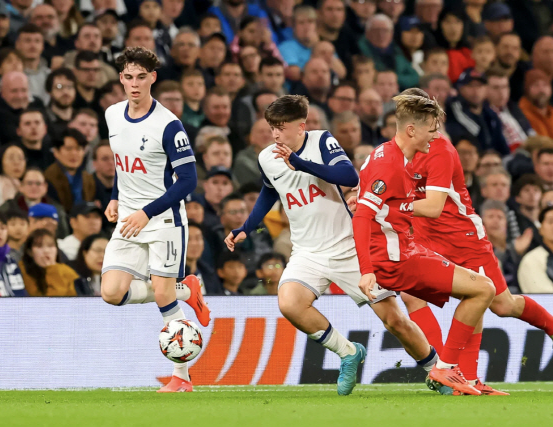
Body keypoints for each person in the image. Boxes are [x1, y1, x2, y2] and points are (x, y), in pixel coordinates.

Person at [225, 95, 440, 396]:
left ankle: (437, 371)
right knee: (289, 303)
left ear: (301, 126)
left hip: (348, 247)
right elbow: (269, 190)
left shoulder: (322, 142)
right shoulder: (266, 157)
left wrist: (298, 163)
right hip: (307, 252)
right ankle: (348, 351)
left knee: (395, 321)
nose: (275, 134)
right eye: (271, 127)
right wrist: (247, 227)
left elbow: (348, 175)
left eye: (281, 127)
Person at [398, 89, 553, 394]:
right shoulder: (398, 151)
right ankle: (451, 374)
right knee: (412, 296)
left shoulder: (440, 151)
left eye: (433, 121)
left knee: (501, 305)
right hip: (425, 238)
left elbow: (434, 206)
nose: (432, 128)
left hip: (462, 239)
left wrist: (389, 204)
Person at [352, 92, 495, 396]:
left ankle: (452, 373)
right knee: (484, 289)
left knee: (470, 290)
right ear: (411, 130)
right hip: (397, 259)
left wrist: (376, 202)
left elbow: (372, 201)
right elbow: (362, 216)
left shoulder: (383, 153)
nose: (436, 135)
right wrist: (367, 271)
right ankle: (445, 369)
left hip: (403, 250)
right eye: (431, 129)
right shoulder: (390, 164)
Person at [100, 46, 207, 393]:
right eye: (128, 77)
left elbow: (189, 181)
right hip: (129, 220)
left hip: (163, 221)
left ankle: (182, 378)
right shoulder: (113, 115)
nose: (134, 84)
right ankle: (185, 288)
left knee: (162, 297)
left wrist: (148, 212)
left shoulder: (168, 124)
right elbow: (122, 163)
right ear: (120, 78)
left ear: (153, 78)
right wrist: (116, 196)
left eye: (141, 77)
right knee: (111, 293)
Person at [45, 128, 96, 213]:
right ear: (56, 152)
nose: (74, 153)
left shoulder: (88, 178)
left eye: (78, 149)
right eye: (68, 149)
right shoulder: (48, 177)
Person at [19, 228, 79, 296]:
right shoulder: (22, 270)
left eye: (50, 246)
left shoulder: (67, 271)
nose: (46, 251)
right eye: (39, 246)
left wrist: (52, 268)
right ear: (30, 252)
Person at [184, 221, 221, 295]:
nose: (194, 244)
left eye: (198, 238)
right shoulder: (171, 277)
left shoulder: (209, 274)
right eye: (188, 239)